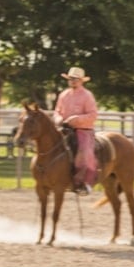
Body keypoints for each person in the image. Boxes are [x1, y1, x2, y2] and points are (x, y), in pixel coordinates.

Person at [54, 66, 98, 194]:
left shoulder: (87, 96)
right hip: (64, 128)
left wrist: (76, 119)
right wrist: (58, 119)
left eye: (76, 79)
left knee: (84, 153)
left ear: (81, 81)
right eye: (71, 78)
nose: (73, 81)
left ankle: (85, 182)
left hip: (83, 129)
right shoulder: (64, 95)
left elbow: (93, 115)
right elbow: (57, 111)